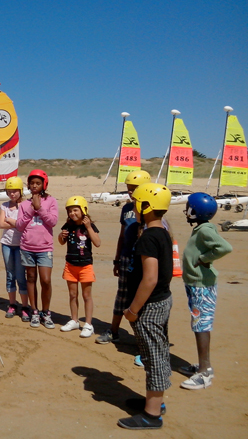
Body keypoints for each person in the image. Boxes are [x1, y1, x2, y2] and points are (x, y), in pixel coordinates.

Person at [118, 183, 173, 430]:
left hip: (150, 306)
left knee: (154, 356)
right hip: (160, 300)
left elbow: (149, 278)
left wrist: (133, 310)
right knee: (154, 355)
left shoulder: (149, 238)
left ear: (146, 206)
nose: (135, 209)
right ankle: (154, 401)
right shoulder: (162, 232)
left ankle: (152, 415)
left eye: (137, 204)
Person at [179, 193, 232, 390]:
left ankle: (204, 371)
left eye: (188, 208)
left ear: (196, 211)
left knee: (201, 325)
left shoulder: (205, 230)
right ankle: (202, 365)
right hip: (195, 284)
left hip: (202, 286)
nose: (186, 211)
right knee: (198, 324)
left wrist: (205, 258)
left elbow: (225, 247)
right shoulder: (201, 228)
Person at [96, 170, 151, 345]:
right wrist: (117, 260)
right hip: (126, 258)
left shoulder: (151, 210)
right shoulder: (127, 209)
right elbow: (122, 236)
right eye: (129, 188)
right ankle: (114, 331)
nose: (131, 192)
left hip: (144, 260)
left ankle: (142, 339)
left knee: (142, 297)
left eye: (135, 188)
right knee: (122, 296)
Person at [15, 170, 58, 328]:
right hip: (27, 247)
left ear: (44, 185)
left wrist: (40, 208)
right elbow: (19, 225)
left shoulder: (51, 201)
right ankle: (34, 311)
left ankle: (46, 313)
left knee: (46, 280)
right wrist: (31, 209)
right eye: (32, 183)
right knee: (31, 278)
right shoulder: (25, 204)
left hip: (44, 248)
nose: (34, 186)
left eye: (38, 183)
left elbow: (53, 221)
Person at [57, 196, 100, 338]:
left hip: (85, 265)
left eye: (75, 210)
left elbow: (97, 242)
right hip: (70, 265)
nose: (72, 213)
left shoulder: (89, 226)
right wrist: (61, 236)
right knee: (72, 294)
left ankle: (88, 324)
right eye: (70, 211)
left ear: (83, 210)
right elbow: (62, 242)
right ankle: (74, 320)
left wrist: (88, 227)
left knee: (86, 295)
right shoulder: (68, 225)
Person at [0, 176, 29, 320]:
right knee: (10, 275)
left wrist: (12, 221)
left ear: (20, 191)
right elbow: (1, 224)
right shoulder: (4, 206)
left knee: (21, 276)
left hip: (22, 245)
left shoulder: (25, 205)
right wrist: (17, 223)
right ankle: (12, 304)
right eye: (10, 191)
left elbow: (26, 224)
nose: (12, 194)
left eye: (15, 191)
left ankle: (24, 306)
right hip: (7, 244)